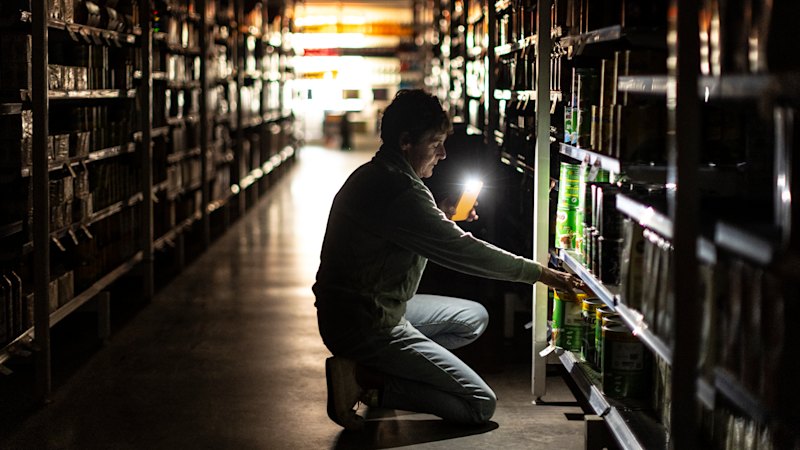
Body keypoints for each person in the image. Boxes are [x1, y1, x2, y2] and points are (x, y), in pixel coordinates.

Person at [313, 89, 587, 431]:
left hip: (371, 307)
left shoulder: (385, 175)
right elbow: (466, 253)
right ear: (406, 142)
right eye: (435, 143)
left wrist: (441, 215)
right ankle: (371, 382)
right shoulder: (401, 191)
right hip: (366, 324)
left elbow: (402, 229)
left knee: (472, 318)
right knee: (479, 404)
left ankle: (380, 368)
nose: (443, 154)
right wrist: (541, 274)